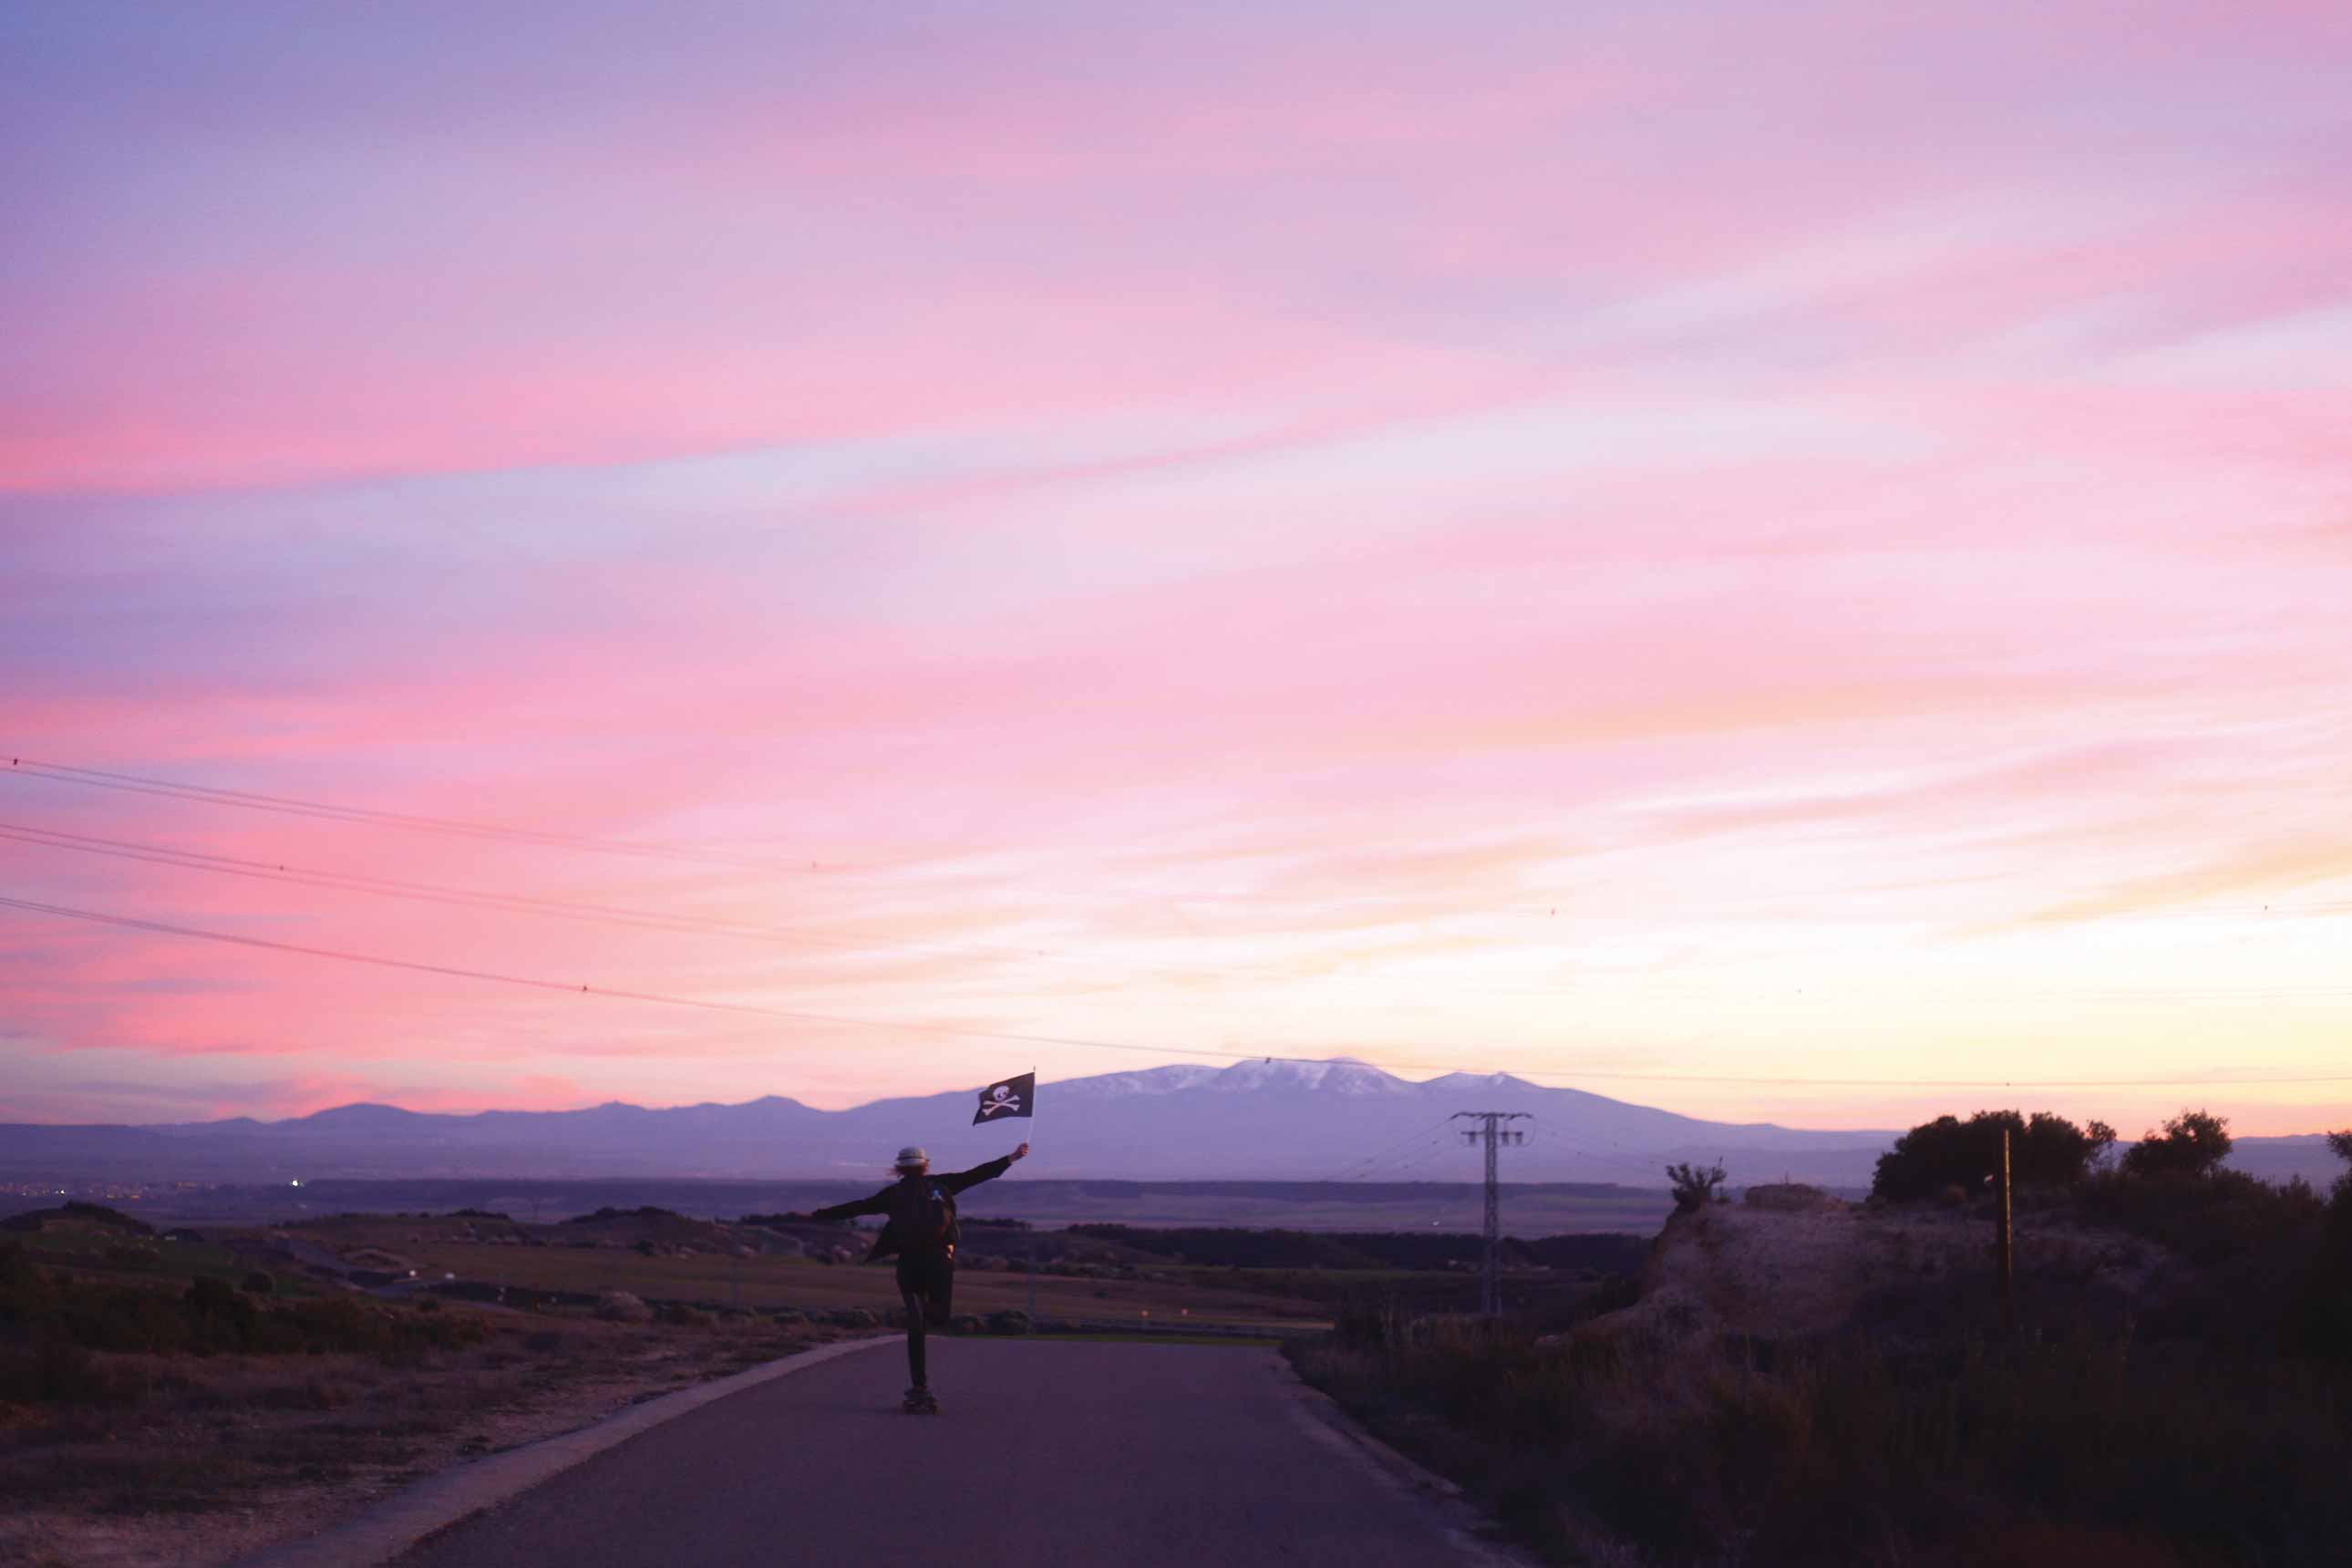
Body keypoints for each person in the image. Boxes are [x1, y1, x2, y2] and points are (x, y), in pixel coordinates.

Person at [810, 1140, 1028, 1411]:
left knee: (917, 1328)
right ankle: (924, 1315)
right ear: (925, 1166)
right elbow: (978, 1174)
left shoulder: (893, 1194)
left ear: (898, 1168)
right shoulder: (942, 1185)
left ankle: (919, 1382)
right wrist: (1012, 1157)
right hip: (939, 1261)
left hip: (909, 1263)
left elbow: (856, 1207)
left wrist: (815, 1215)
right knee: (940, 1318)